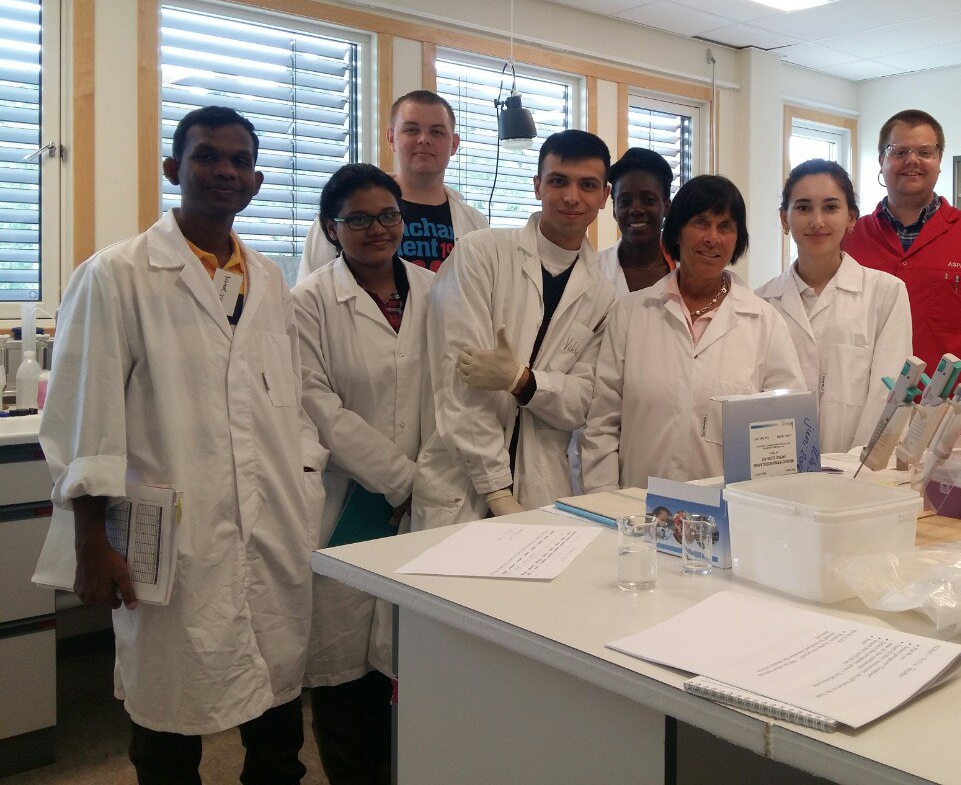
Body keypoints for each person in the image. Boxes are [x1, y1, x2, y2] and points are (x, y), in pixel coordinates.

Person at [39, 105, 325, 785]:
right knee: (168, 715)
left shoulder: (270, 280)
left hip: (272, 527)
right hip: (170, 536)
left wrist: (305, 485)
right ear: (174, 168)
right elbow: (87, 417)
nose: (224, 170)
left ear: (256, 181)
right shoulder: (117, 275)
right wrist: (91, 542)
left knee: (277, 718)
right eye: (206, 156)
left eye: (239, 160)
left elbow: (283, 402)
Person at [293, 163, 434, 785]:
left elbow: (451, 393)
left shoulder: (434, 290)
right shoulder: (309, 302)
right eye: (358, 219)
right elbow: (318, 406)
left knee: (407, 659)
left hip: (427, 500)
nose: (377, 229)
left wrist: (424, 480)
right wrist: (400, 479)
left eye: (388, 216)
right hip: (347, 500)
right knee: (343, 666)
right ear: (331, 227)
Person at [412, 129, 617, 530]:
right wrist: (495, 490)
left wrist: (521, 381)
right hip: (461, 486)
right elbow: (459, 384)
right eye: (558, 181)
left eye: (587, 185)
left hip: (542, 487)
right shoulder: (480, 254)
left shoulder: (601, 294)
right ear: (537, 186)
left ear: (604, 196)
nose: (571, 197)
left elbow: (581, 402)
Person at [581, 175, 805, 491]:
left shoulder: (765, 323)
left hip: (730, 510)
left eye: (725, 226)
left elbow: (786, 432)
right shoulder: (630, 314)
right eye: (701, 223)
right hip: (639, 507)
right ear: (677, 231)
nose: (712, 238)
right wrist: (605, 500)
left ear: (737, 239)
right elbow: (602, 424)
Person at [843, 109, 961, 407]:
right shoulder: (849, 240)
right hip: (861, 414)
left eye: (925, 152)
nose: (912, 160)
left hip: (948, 419)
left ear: (939, 160)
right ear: (881, 160)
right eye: (899, 151)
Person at [758, 159, 912, 453]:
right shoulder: (762, 303)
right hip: (779, 468)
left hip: (858, 470)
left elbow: (888, 395)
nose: (817, 221)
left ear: (851, 218)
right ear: (784, 219)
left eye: (830, 207)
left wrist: (856, 469)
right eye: (803, 208)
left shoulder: (886, 293)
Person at [297, 89, 487, 280]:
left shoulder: (476, 224)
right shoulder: (340, 214)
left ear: (454, 144)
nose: (424, 139)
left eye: (437, 132)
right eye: (411, 130)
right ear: (391, 138)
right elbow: (311, 291)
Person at [597, 146, 673, 294]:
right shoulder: (593, 271)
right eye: (624, 202)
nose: (636, 210)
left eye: (648, 200)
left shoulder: (688, 269)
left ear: (666, 207)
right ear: (614, 211)